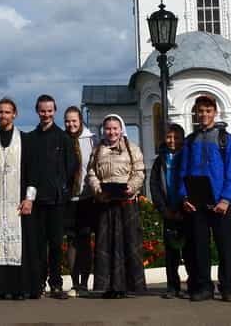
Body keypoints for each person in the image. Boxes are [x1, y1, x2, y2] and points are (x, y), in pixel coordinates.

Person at [0, 98, 39, 300]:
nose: (3, 115)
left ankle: (19, 288)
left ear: (15, 114)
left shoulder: (26, 140)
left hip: (17, 204)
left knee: (19, 246)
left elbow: (32, 172)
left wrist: (29, 199)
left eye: (7, 112)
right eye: (0, 112)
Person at [179, 94, 231, 302]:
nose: (204, 114)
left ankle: (227, 287)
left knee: (224, 247)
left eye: (208, 110)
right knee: (200, 247)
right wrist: (184, 196)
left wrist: (225, 199)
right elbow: (183, 171)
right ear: (196, 113)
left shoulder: (225, 138)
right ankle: (204, 287)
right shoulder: (190, 140)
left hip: (219, 201)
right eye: (201, 111)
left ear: (215, 112)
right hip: (197, 201)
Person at [86, 114, 146, 299]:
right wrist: (98, 189)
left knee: (128, 242)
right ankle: (108, 287)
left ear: (121, 129)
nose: (111, 132)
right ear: (104, 130)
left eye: (115, 128)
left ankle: (130, 287)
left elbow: (139, 171)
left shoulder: (132, 148)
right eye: (108, 128)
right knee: (107, 244)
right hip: (105, 203)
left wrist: (132, 187)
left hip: (126, 202)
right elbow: (91, 173)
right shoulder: (98, 150)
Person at [30, 95, 76, 299]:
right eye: (42, 110)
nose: (46, 114)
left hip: (57, 201)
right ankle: (38, 283)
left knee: (56, 245)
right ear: (37, 111)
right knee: (39, 245)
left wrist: (62, 188)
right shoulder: (31, 138)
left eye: (49, 110)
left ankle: (56, 284)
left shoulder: (63, 138)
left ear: (54, 111)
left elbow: (71, 166)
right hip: (37, 201)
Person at [149, 123, 191, 299]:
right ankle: (172, 285)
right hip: (168, 210)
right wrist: (163, 208)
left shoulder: (188, 157)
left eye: (176, 137)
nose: (172, 141)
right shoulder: (160, 160)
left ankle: (193, 283)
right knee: (171, 251)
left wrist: (185, 206)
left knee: (189, 250)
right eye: (169, 137)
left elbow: (192, 181)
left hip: (186, 210)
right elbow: (154, 185)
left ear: (182, 138)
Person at [63, 105, 96, 297]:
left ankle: (85, 281)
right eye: (67, 121)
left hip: (87, 197)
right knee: (72, 241)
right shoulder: (62, 139)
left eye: (74, 120)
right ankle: (75, 282)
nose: (71, 124)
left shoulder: (91, 140)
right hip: (68, 199)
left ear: (80, 120)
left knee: (85, 240)